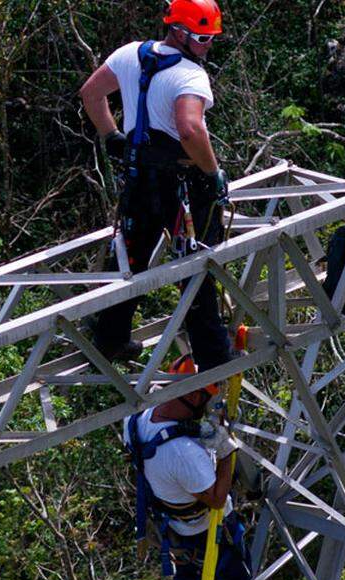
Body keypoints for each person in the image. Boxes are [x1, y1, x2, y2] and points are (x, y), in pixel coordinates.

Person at [80, 0, 232, 367]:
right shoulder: (190, 76)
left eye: (211, 38)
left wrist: (112, 135)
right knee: (196, 265)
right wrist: (212, 174)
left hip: (138, 178)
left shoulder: (131, 54)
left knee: (132, 258)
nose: (207, 45)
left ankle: (110, 339)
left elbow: (90, 93)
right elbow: (190, 129)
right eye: (202, 37)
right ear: (179, 32)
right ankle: (213, 355)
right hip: (181, 184)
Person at [123, 356, 271, 580]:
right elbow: (217, 500)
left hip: (172, 519)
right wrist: (226, 451)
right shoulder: (182, 454)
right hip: (204, 527)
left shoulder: (138, 420)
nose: (210, 403)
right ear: (192, 396)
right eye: (208, 397)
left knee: (198, 568)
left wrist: (201, 432)